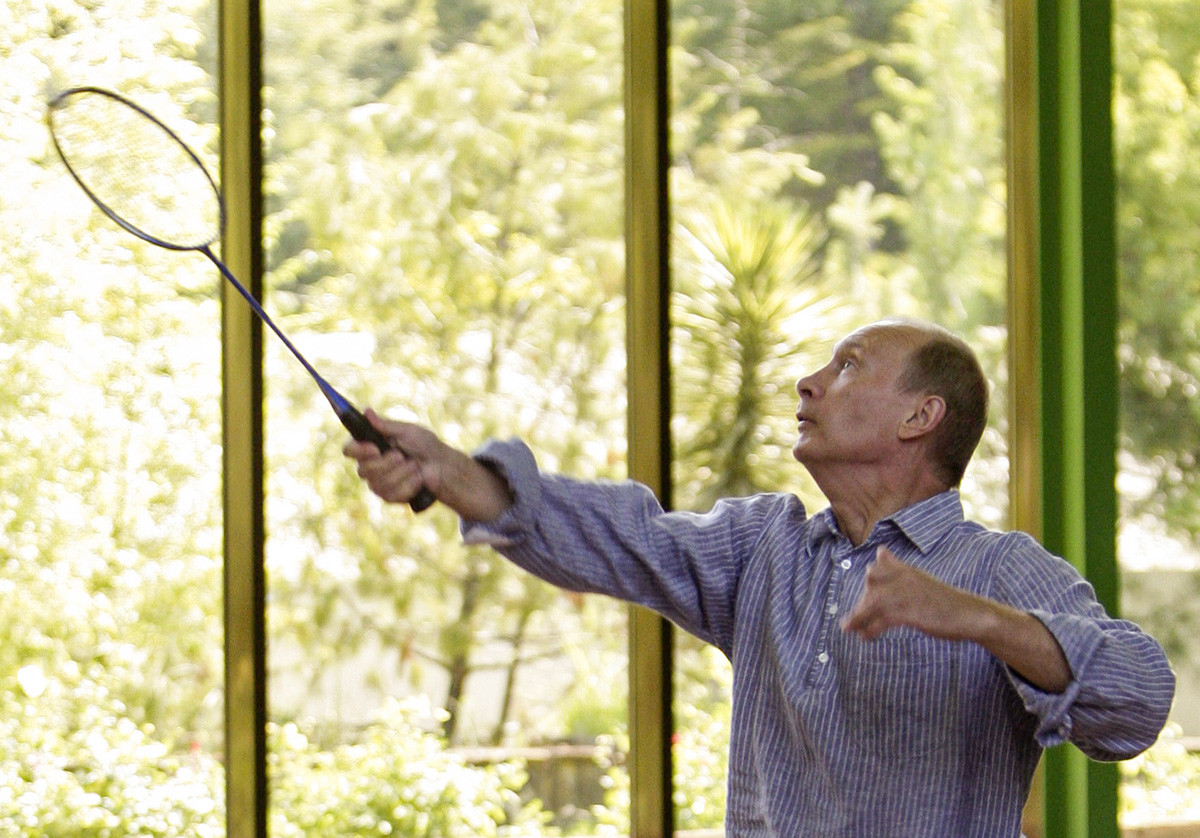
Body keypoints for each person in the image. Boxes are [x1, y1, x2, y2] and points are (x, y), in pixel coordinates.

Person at [344, 317, 1175, 836]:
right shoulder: (762, 549)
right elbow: (614, 534)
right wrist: (451, 471)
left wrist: (978, 619)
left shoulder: (999, 569)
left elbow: (1137, 702)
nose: (808, 382)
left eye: (848, 366)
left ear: (921, 418)